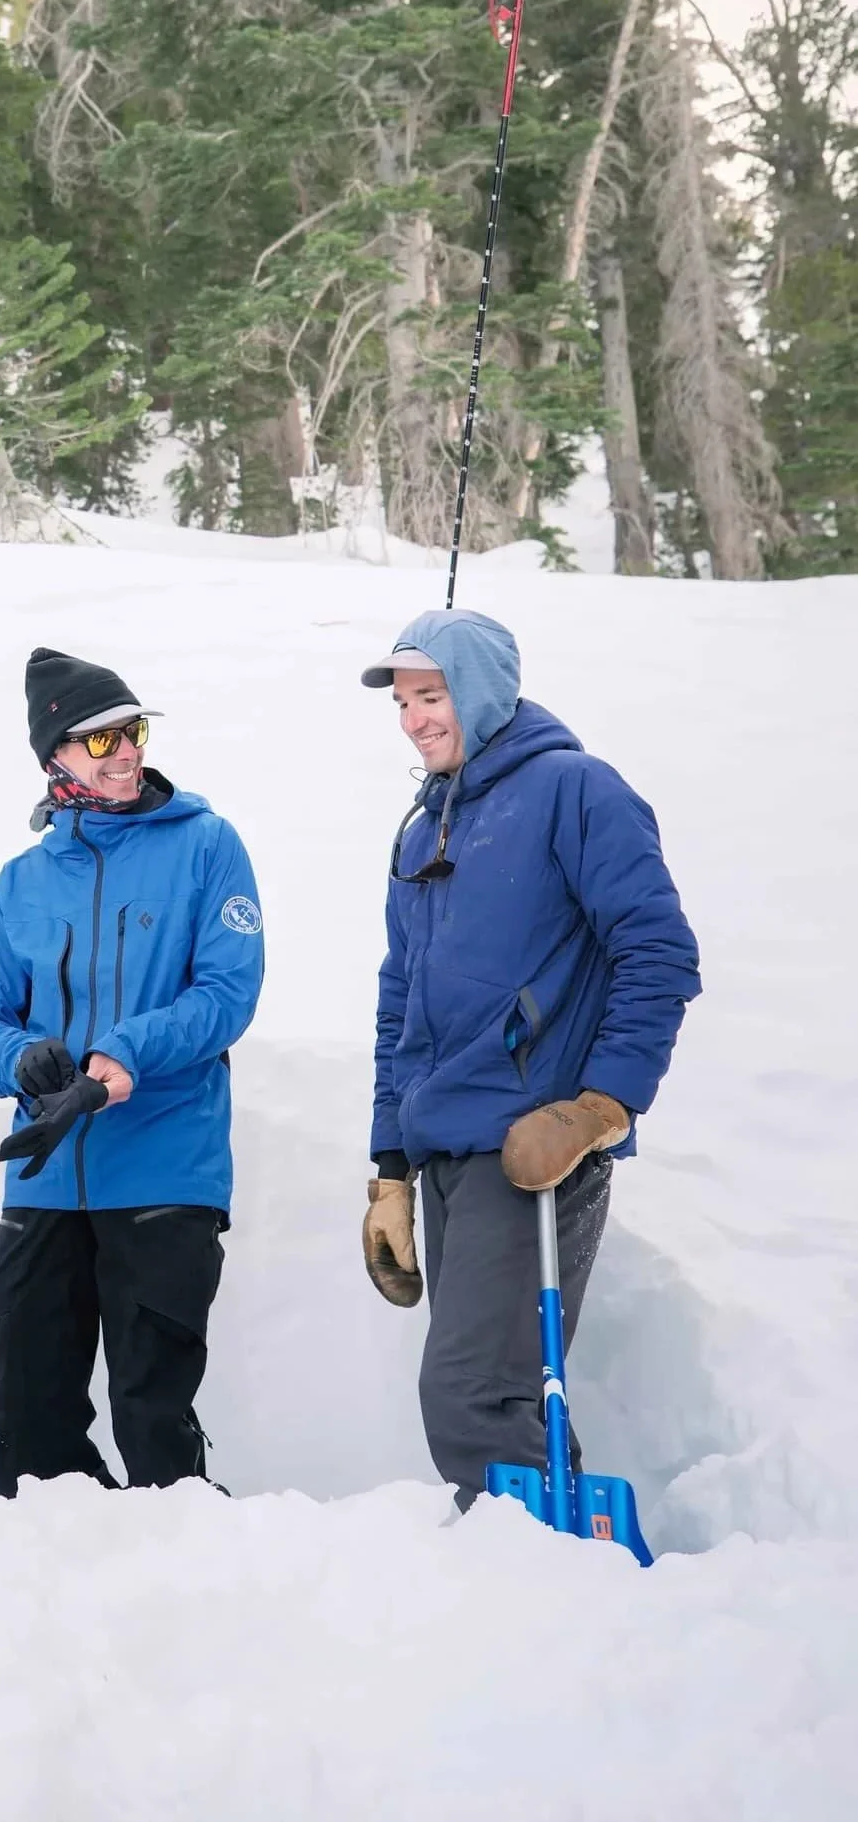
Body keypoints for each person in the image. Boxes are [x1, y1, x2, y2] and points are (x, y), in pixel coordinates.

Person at [359, 609, 700, 1508]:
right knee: (501, 1395)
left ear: (481, 691)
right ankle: (547, 1569)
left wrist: (599, 1108)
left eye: (430, 696)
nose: (413, 719)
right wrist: (390, 1169)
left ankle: (534, 1588)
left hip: (536, 1153)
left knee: (476, 1393)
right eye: (402, 702)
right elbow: (402, 1004)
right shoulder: (421, 829)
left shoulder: (576, 791)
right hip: (448, 1157)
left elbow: (659, 952)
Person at [0, 647, 265, 1495]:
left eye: (132, 730)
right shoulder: (22, 883)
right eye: (99, 741)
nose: (125, 751)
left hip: (165, 1166)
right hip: (46, 1178)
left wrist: (122, 1057)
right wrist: (22, 1059)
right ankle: (57, 1591)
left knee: (151, 1417)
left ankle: (187, 1580)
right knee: (27, 1421)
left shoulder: (206, 846)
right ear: (53, 755)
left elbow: (227, 994)